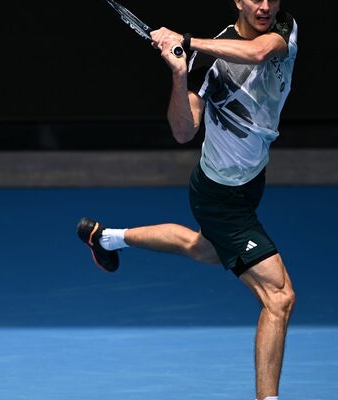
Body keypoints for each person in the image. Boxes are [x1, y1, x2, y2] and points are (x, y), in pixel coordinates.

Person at [78, 1, 298, 399]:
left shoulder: (282, 28)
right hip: (219, 196)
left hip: (251, 182)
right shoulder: (206, 64)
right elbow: (183, 132)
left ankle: (106, 237)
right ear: (237, 1)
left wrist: (185, 40)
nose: (264, 6)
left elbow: (260, 52)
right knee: (279, 298)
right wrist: (179, 76)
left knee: (207, 249)